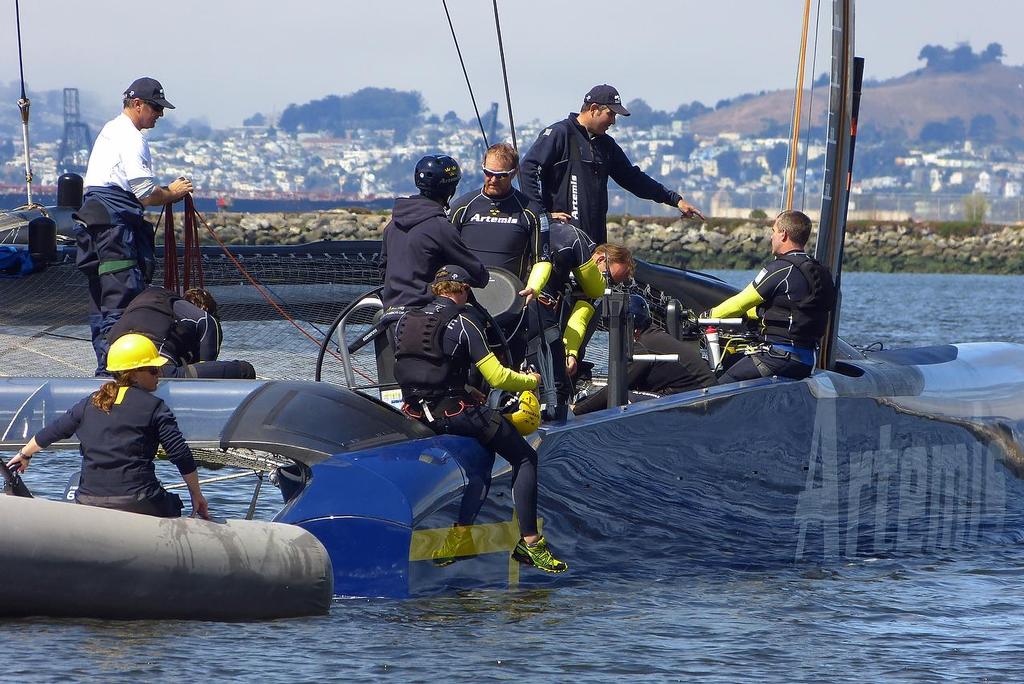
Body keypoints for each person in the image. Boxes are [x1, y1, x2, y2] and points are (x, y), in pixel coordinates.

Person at [393, 266, 567, 574]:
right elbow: (498, 377)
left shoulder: (405, 320)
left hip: (416, 414)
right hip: (454, 416)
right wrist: (531, 381)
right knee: (525, 457)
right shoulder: (462, 324)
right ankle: (531, 543)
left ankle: (459, 539)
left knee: (484, 453)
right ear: (461, 291)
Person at [5, 334, 209, 519]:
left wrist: (24, 455)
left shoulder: (89, 403)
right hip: (139, 500)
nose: (159, 374)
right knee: (174, 503)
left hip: (88, 500)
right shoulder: (156, 407)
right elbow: (180, 454)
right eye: (153, 369)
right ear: (133, 374)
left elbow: (52, 432)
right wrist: (196, 495)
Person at [77, 77, 194, 375]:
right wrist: (173, 193)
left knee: (101, 301)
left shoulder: (110, 130)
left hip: (95, 225)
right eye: (156, 107)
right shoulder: (131, 136)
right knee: (122, 301)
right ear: (137, 104)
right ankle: (114, 375)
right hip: (114, 231)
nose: (160, 114)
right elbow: (145, 192)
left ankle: (106, 370)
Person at [520, 84, 704, 244]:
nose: (613, 122)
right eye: (611, 114)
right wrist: (541, 215)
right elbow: (527, 168)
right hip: (561, 238)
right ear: (593, 109)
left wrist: (675, 200)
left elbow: (634, 179)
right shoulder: (559, 134)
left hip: (596, 241)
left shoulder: (606, 145)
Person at [450, 142, 551, 366]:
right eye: (488, 173)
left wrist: (534, 287)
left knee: (509, 367)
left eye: (501, 176)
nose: (493, 180)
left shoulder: (531, 211)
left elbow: (542, 259)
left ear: (513, 174)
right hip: (466, 303)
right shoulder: (463, 206)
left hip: (510, 305)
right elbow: (445, 254)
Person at [707, 210, 835, 383]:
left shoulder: (780, 268)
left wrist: (706, 316)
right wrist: (751, 315)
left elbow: (740, 303)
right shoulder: (820, 271)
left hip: (778, 358)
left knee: (719, 383)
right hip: (807, 360)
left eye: (773, 231)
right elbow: (788, 309)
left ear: (783, 235)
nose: (771, 237)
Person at [573, 295, 715, 415]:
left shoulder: (642, 346)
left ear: (629, 327)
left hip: (697, 403)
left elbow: (616, 388)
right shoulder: (652, 335)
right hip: (699, 396)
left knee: (616, 395)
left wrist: (577, 409)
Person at [380, 154, 488, 310]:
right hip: (427, 315)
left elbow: (384, 269)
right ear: (450, 189)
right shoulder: (440, 227)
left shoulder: (392, 225)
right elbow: (478, 275)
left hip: (391, 315)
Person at [107, 286, 257, 379]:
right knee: (245, 370)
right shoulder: (207, 320)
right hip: (156, 367)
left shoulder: (160, 304)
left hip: (114, 363)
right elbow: (206, 369)